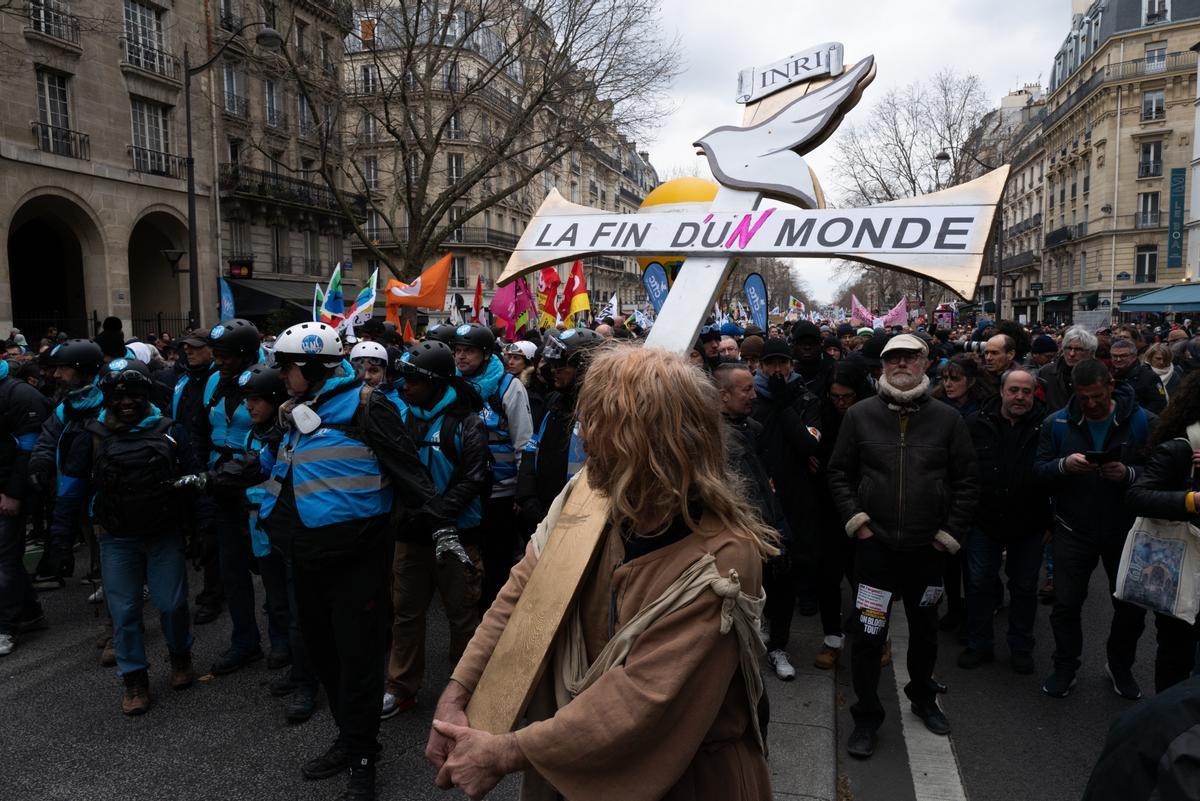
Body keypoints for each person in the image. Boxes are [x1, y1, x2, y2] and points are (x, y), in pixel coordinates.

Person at [426, 346, 773, 800]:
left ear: (647, 441)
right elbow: (520, 598)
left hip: (685, 783)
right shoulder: (587, 498)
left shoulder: (722, 557)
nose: (581, 436)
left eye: (598, 424)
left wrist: (505, 752)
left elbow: (641, 698)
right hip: (567, 759)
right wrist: (458, 694)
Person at [260, 322, 442, 801]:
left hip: (357, 559)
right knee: (324, 656)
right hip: (305, 554)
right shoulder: (299, 409)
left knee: (359, 661)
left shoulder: (368, 404)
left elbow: (411, 472)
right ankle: (349, 738)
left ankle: (363, 759)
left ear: (314, 366)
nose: (280, 374)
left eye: (286, 366)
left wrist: (441, 530)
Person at [827, 334, 978, 758]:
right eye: (893, 357)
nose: (901, 363)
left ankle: (923, 696)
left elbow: (967, 483)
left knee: (925, 632)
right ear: (882, 364)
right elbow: (838, 474)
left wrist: (947, 536)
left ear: (925, 362)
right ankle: (867, 716)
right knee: (868, 636)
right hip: (875, 551)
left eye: (910, 356)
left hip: (928, 553)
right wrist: (858, 524)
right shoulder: (859, 416)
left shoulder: (948, 420)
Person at [56, 359, 201, 712]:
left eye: (135, 395)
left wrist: (201, 531)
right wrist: (59, 540)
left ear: (146, 395)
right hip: (115, 536)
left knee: (172, 604)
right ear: (107, 398)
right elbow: (71, 487)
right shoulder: (91, 436)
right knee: (124, 612)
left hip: (163, 533)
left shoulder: (171, 430)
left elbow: (196, 479)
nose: (127, 402)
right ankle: (134, 680)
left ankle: (180, 655)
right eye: (119, 396)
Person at [1033, 358, 1155, 700]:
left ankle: (1120, 666)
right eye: (1083, 397)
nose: (1090, 404)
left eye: (1097, 397)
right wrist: (1063, 466)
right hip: (1073, 528)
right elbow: (1038, 471)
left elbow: (1162, 472)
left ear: (1111, 387)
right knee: (1067, 605)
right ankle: (1065, 667)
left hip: (1126, 530)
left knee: (1129, 607)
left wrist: (1129, 474)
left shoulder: (1143, 421)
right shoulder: (1056, 423)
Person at [386, 340, 491, 720]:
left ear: (435, 382)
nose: (404, 386)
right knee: (406, 612)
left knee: (461, 613)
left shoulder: (467, 422)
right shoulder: (397, 414)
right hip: (410, 537)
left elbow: (474, 478)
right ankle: (401, 687)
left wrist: (437, 515)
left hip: (458, 535)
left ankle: (463, 689)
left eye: (413, 380)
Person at [960, 369, 1051, 674]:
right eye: (1014, 390)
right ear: (1001, 391)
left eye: (1026, 391)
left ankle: (1021, 647)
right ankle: (979, 644)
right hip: (984, 520)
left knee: (1024, 587)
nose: (1020, 397)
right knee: (979, 584)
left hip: (1030, 521)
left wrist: (1051, 521)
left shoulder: (1046, 426)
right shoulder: (975, 423)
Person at [203, 319, 275, 675]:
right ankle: (244, 642)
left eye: (228, 355)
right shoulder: (215, 382)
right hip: (222, 485)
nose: (220, 361)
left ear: (247, 353)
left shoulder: (271, 377)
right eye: (217, 354)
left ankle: (283, 646)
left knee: (273, 572)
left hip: (260, 487)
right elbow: (206, 426)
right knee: (232, 571)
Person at [1122, 370, 1200, 692]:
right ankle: (1165, 727)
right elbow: (1137, 496)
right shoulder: (1181, 448)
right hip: (1183, 567)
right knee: (1176, 654)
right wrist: (1192, 500)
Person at [752, 338, 823, 678]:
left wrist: (784, 407)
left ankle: (779, 644)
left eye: (782, 363)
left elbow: (809, 443)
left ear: (791, 365)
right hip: (757, 500)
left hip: (794, 500)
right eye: (771, 364)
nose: (777, 370)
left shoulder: (805, 399)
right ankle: (762, 623)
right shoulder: (749, 400)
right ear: (761, 367)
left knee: (786, 574)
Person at [451, 323, 534, 612]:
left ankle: (494, 622)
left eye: (469, 351)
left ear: (486, 355)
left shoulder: (508, 387)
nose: (461, 357)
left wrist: (520, 494)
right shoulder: (450, 385)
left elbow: (523, 442)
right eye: (458, 351)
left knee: (496, 563)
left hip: (500, 495)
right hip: (462, 494)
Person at [28, 339, 106, 589]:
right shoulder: (69, 403)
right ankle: (101, 572)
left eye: (63, 368)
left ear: (82, 369)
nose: (57, 374)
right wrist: (40, 463)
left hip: (106, 487)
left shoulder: (113, 398)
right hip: (73, 484)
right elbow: (49, 436)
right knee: (88, 531)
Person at [812, 362, 874, 670]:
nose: (840, 403)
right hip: (828, 511)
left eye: (846, 397)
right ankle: (832, 639)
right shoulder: (822, 416)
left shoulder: (873, 416)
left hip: (865, 508)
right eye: (835, 397)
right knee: (828, 578)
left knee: (865, 577)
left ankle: (877, 638)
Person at [516, 328, 605, 530]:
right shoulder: (554, 400)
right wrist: (527, 496)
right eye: (553, 363)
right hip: (541, 509)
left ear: (585, 368)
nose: (553, 369)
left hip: (579, 518)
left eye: (561, 365)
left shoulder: (600, 411)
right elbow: (532, 446)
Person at [0, 357, 53, 657]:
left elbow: (30, 449)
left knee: (4, 559)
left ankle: (6, 626)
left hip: (8, 492)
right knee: (6, 558)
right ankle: (30, 612)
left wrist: (13, 493)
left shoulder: (19, 394)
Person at [171, 331, 222, 625]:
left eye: (195, 348)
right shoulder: (183, 380)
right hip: (185, 462)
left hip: (207, 464)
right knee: (195, 530)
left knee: (210, 533)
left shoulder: (215, 381)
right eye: (186, 348)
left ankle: (214, 594)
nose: (189, 352)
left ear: (210, 351)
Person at [1038, 325, 1097, 411]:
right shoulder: (1046, 373)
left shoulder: (1099, 375)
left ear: (1091, 352)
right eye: (1068, 348)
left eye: (1078, 349)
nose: (1072, 354)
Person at [1110, 338, 1167, 414]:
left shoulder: (1149, 377)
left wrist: (1138, 418)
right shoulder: (1108, 375)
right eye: (1114, 356)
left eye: (1123, 356)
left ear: (1134, 356)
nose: (1118, 359)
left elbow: (1159, 404)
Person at [790, 321, 835, 396]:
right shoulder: (785, 370)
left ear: (820, 345)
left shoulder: (832, 370)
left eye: (812, 343)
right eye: (802, 343)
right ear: (795, 346)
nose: (807, 347)